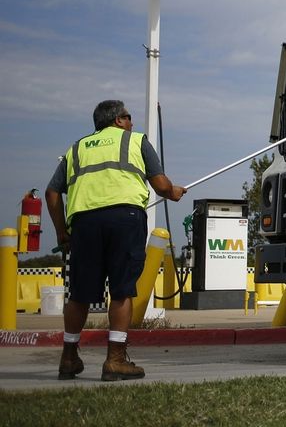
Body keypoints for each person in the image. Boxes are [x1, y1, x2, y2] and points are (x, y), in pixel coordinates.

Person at [45, 100, 186, 381]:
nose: (132, 122)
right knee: (122, 290)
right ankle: (116, 359)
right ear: (118, 120)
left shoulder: (76, 149)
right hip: (125, 218)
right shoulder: (136, 141)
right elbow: (160, 185)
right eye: (129, 117)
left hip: (84, 223)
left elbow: (52, 193)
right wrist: (173, 192)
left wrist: (62, 233)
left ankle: (69, 358)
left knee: (79, 294)